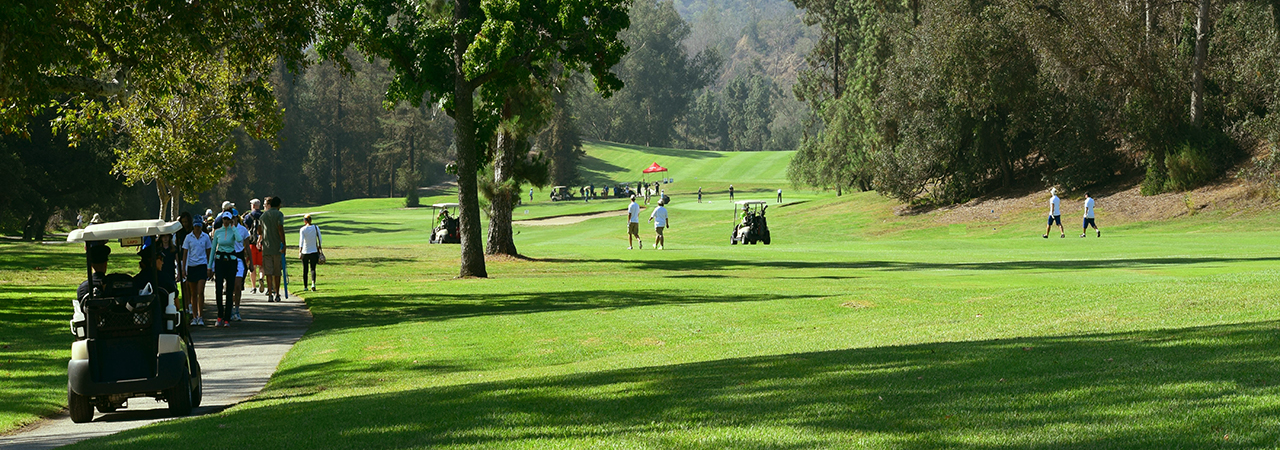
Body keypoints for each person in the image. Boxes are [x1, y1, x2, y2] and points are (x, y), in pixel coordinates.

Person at [210, 213, 242, 327]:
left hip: (231, 261)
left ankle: (227, 318)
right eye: (224, 219)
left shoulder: (233, 231)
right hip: (220, 261)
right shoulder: (218, 232)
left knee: (229, 290)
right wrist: (210, 266)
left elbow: (239, 239)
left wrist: (233, 227)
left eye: (228, 219)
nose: (226, 221)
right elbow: (213, 248)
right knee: (218, 289)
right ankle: (219, 316)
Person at [180, 217, 213, 326]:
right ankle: (194, 316)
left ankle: (200, 316)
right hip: (191, 266)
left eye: (199, 226)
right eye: (196, 226)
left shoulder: (206, 237)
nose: (197, 228)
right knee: (193, 293)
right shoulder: (188, 237)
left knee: (200, 291)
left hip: (202, 265)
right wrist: (183, 268)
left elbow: (209, 253)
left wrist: (210, 267)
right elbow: (185, 254)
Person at [258, 196, 286, 302]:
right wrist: (284, 243)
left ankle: (269, 293)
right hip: (277, 247)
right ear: (278, 205)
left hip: (266, 247)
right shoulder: (279, 214)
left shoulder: (263, 216)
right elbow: (280, 229)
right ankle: (277, 293)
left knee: (268, 272)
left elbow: (259, 231)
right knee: (277, 272)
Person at [231, 214, 251, 321]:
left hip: (239, 259)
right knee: (230, 287)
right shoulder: (225, 230)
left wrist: (251, 262)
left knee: (238, 286)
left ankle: (237, 310)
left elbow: (247, 246)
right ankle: (229, 309)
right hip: (228, 259)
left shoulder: (243, 230)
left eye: (234, 217)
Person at [174, 212, 194, 313]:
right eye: (183, 222)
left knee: (190, 285)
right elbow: (176, 249)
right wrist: (178, 263)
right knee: (184, 285)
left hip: (192, 260)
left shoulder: (191, 233)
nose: (185, 224)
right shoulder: (178, 234)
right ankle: (186, 306)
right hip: (182, 259)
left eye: (186, 222)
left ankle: (191, 304)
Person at [299, 214, 323, 291]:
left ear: (305, 221)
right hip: (314, 251)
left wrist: (300, 251)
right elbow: (320, 238)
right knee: (313, 269)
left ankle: (305, 286)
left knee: (305, 270)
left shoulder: (302, 229)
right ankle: (313, 283)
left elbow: (301, 241)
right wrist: (319, 246)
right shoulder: (316, 228)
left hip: (305, 251)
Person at [246, 198, 265, 293]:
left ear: (253, 206)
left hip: (252, 244)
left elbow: (246, 229)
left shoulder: (248, 216)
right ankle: (261, 278)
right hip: (262, 243)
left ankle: (253, 287)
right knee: (262, 266)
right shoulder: (263, 215)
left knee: (252, 266)